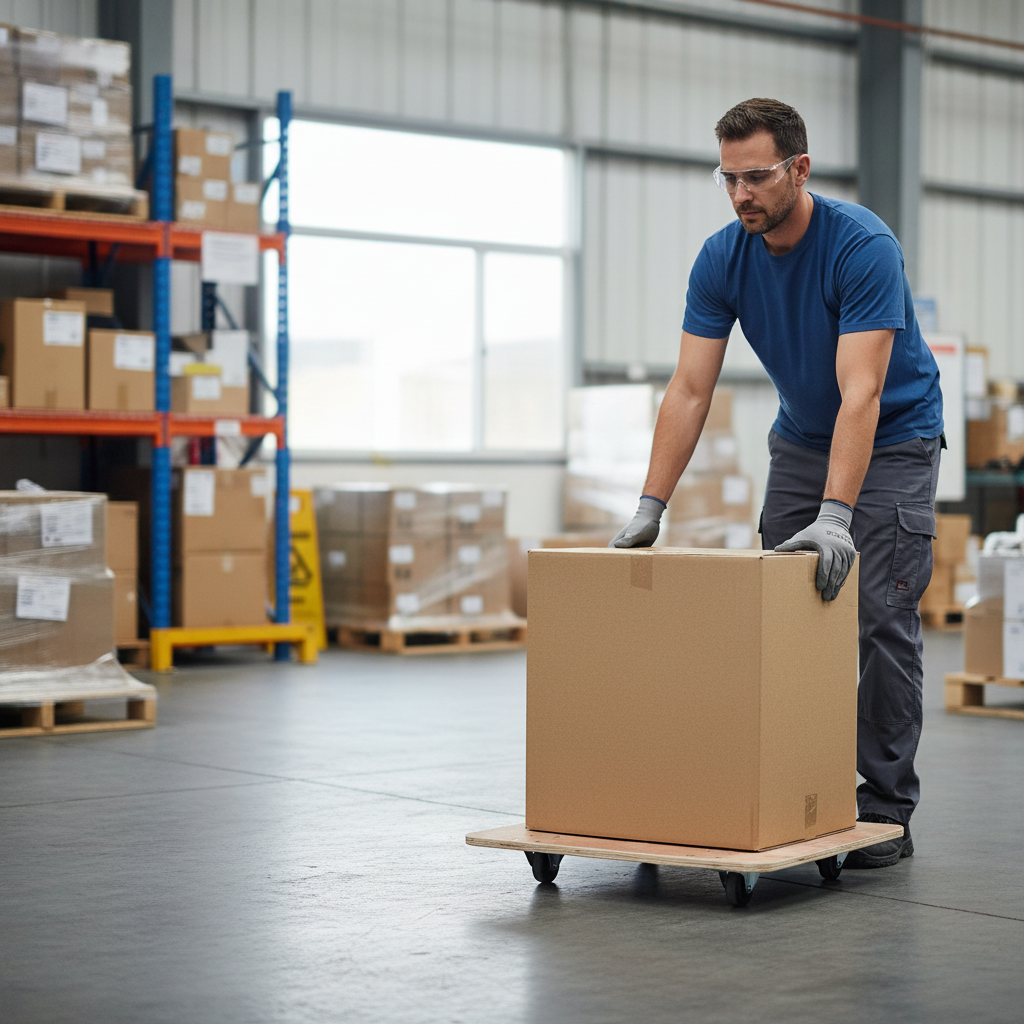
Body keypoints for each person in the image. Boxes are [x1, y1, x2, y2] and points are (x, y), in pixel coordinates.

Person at [610, 97, 943, 868]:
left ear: (799, 168)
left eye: (756, 177)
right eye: (727, 180)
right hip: (799, 438)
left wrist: (836, 516)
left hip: (894, 439)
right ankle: (799, 789)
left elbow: (861, 392)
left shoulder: (861, 246)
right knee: (783, 618)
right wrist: (648, 506)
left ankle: (885, 809)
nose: (741, 195)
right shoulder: (723, 257)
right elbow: (690, 389)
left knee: (878, 621)